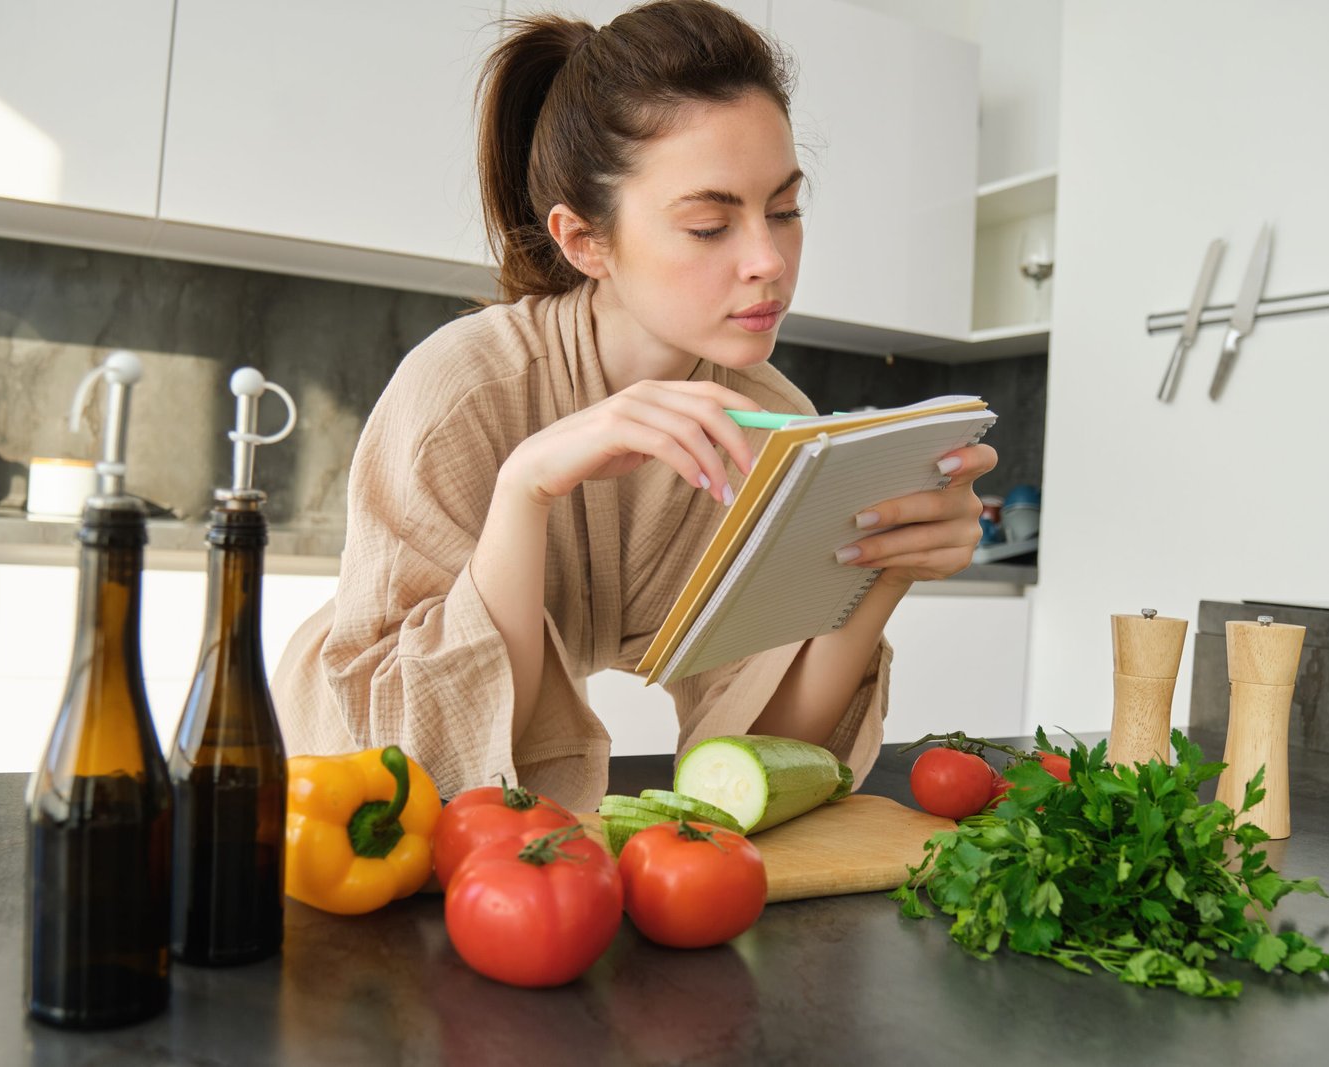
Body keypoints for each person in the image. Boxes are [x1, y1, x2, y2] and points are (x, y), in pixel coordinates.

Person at [270, 0, 997, 812]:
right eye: (710, 224)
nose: (769, 260)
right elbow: (429, 747)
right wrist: (524, 488)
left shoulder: (767, 421)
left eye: (785, 210)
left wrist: (884, 570)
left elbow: (757, 755)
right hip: (339, 770)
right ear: (585, 241)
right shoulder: (462, 392)